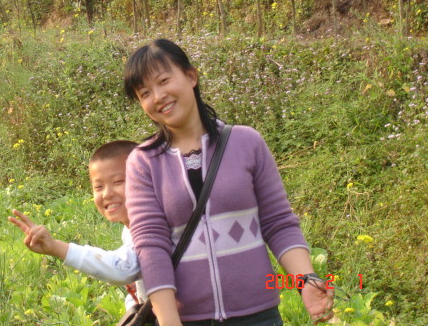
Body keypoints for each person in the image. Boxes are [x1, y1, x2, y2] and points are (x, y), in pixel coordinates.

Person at [123, 38, 334, 326]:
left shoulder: (246, 142)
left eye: (163, 81)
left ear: (191, 76)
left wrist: (306, 280)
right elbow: (151, 246)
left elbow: (278, 222)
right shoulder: (143, 163)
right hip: (186, 319)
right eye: (145, 92)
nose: (158, 96)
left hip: (258, 316)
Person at [8, 140, 145, 309]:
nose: (107, 194)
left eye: (118, 182)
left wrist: (56, 247)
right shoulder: (129, 229)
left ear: (146, 179)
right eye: (98, 187)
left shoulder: (150, 226)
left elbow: (122, 269)